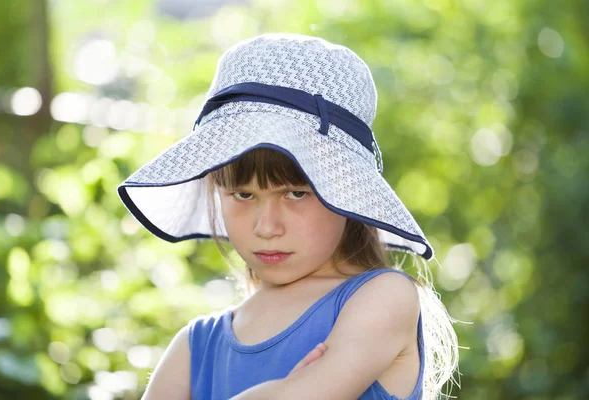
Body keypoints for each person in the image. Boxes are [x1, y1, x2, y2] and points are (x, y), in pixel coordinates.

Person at [118, 33, 460, 400]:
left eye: (296, 193)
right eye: (243, 194)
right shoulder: (195, 347)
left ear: (348, 192)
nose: (266, 228)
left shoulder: (382, 298)